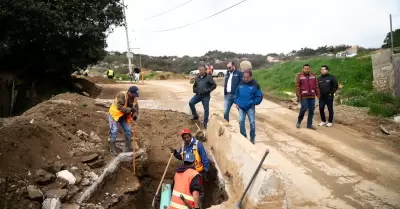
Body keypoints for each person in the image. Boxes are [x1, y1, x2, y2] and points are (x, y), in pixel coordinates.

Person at [169, 128, 208, 209]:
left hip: (198, 172)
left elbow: (204, 158)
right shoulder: (183, 146)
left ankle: (199, 206)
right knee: (188, 190)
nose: (186, 139)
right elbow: (181, 156)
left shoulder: (198, 144)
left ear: (190, 136)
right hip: (187, 172)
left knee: (199, 191)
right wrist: (176, 153)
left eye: (187, 137)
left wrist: (206, 170)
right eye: (184, 138)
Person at [108, 86, 139, 156]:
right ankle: (112, 149)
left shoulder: (134, 99)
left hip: (123, 116)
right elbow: (120, 107)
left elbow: (136, 109)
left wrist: (135, 115)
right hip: (114, 114)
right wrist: (130, 110)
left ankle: (128, 148)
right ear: (129, 92)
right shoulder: (122, 95)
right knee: (114, 130)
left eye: (136, 95)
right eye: (134, 94)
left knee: (128, 130)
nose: (135, 96)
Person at [234, 69, 263, 144]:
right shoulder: (240, 83)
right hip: (241, 107)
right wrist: (237, 102)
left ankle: (252, 138)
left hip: (250, 107)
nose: (245, 79)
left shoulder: (255, 84)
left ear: (251, 77)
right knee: (241, 121)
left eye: (247, 77)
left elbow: (259, 96)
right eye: (244, 77)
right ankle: (243, 136)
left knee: (252, 123)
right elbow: (236, 94)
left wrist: (253, 102)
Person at [295, 64, 320, 129]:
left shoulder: (313, 76)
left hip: (312, 96)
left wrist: (318, 95)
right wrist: (299, 97)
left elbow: (316, 86)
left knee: (311, 111)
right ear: (303, 69)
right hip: (304, 97)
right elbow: (297, 87)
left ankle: (309, 125)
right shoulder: (299, 76)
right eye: (305, 68)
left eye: (308, 69)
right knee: (304, 109)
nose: (306, 70)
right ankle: (299, 122)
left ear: (309, 69)